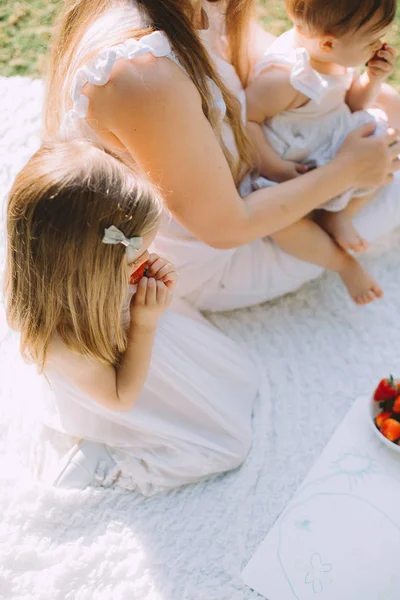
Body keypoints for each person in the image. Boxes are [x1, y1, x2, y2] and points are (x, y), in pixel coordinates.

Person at [44, 0, 400, 315]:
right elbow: (226, 229)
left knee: (390, 114)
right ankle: (341, 257)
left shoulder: (197, 4)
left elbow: (290, 64)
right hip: (208, 254)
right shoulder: (141, 73)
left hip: (239, 174)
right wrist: (349, 170)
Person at [5, 140, 259, 495]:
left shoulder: (90, 280)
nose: (144, 262)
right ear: (84, 274)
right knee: (226, 447)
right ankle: (109, 460)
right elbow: (120, 398)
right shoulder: (62, 343)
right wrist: (143, 323)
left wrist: (152, 282)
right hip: (121, 395)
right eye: (132, 262)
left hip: (149, 356)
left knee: (234, 385)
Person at [245, 0, 397, 304]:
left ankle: (336, 212)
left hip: (328, 136)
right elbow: (246, 120)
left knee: (386, 150)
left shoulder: (332, 55)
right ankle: (342, 263)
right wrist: (274, 167)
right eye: (370, 41)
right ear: (328, 43)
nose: (379, 46)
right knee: (282, 225)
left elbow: (350, 103)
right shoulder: (285, 79)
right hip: (292, 162)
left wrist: (372, 78)